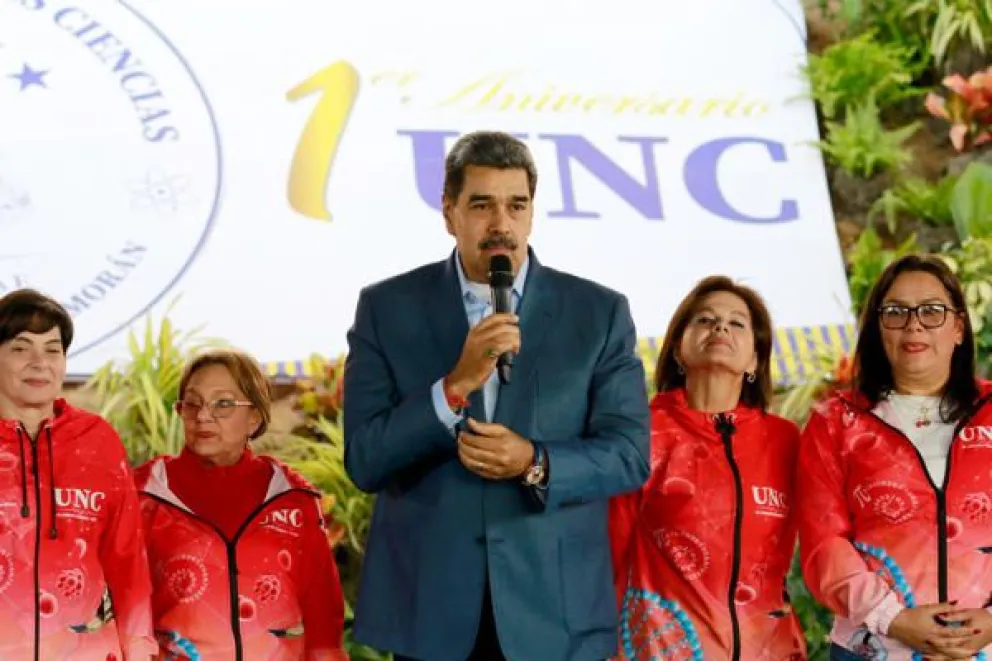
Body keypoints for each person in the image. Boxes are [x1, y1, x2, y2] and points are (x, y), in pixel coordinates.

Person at [343, 130, 651, 661]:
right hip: (432, 613)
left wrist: (535, 461)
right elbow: (366, 460)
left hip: (554, 615)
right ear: (449, 211)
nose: (501, 224)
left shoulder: (598, 313)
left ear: (532, 212)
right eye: (481, 205)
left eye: (516, 205)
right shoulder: (386, 308)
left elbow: (628, 455)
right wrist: (453, 387)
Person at [798, 254, 992, 660]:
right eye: (896, 312)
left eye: (932, 311)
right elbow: (823, 542)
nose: (914, 324)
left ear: (958, 327)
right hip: (872, 648)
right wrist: (894, 619)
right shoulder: (837, 420)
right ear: (877, 329)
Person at [609, 276, 807, 660]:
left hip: (769, 648)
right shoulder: (643, 432)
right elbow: (608, 551)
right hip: (663, 649)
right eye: (704, 320)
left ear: (754, 359)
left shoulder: (785, 440)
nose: (720, 327)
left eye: (737, 323)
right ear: (679, 349)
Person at [134, 348, 348, 661]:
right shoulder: (143, 494)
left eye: (223, 404)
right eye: (192, 403)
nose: (203, 416)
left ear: (254, 418)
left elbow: (323, 619)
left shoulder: (292, 499)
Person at [0, 288, 157, 659]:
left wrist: (139, 649)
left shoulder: (97, 441)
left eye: (53, 349)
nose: (40, 362)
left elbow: (127, 559)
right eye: (21, 348)